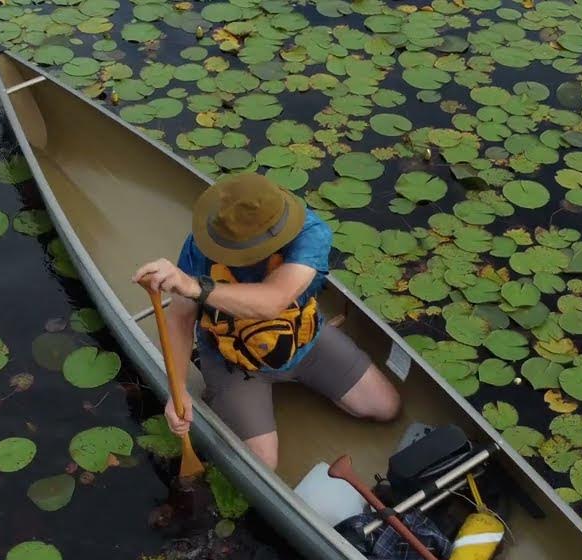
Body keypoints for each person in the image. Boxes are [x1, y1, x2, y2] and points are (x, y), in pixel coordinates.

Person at [133, 172, 400, 470]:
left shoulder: (311, 233)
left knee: (386, 407)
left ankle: (304, 378)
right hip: (233, 361)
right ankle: (221, 394)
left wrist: (195, 286)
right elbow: (180, 320)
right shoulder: (200, 247)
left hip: (304, 341)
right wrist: (178, 390)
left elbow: (273, 301)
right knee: (263, 464)